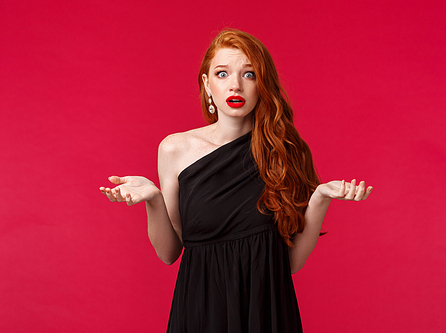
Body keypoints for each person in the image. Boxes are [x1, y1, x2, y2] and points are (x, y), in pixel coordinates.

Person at [100, 29, 372, 333]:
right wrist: (153, 199)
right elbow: (169, 253)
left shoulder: (285, 152)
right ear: (207, 85)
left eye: (249, 74)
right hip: (201, 312)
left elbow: (291, 263)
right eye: (222, 73)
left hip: (267, 312)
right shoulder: (174, 149)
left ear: (261, 84)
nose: (235, 85)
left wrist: (319, 198)